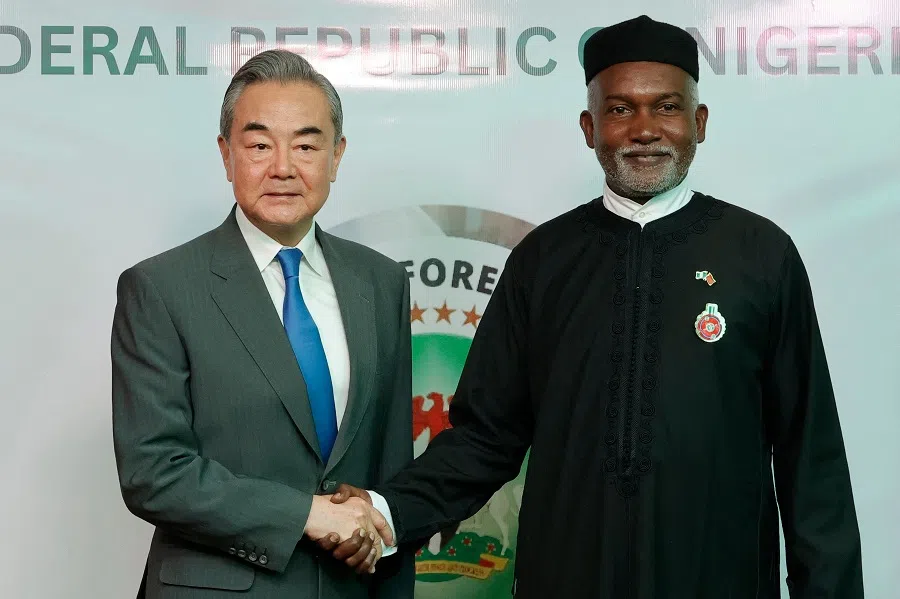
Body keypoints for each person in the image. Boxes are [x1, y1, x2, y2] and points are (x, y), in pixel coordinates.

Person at [319, 15, 864, 598]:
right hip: (569, 575)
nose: (645, 129)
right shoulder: (543, 260)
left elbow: (810, 459)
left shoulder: (761, 254)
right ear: (589, 127)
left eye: (667, 107)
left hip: (718, 576)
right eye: (621, 109)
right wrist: (389, 510)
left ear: (699, 122)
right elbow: (485, 437)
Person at [111, 49, 414, 598]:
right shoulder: (161, 288)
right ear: (226, 154)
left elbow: (391, 469)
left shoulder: (381, 281)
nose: (283, 168)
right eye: (258, 146)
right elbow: (153, 471)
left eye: (306, 146)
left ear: (337, 156)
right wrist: (307, 514)